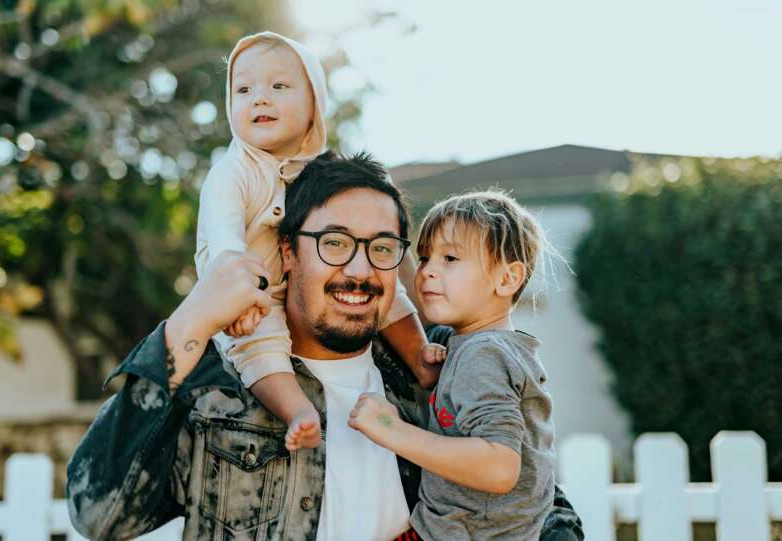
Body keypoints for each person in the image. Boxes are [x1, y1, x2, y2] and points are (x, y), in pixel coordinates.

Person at [66, 152, 583, 540]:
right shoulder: (216, 383)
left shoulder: (437, 364)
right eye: (334, 243)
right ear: (288, 253)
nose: (359, 270)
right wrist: (188, 323)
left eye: (381, 249)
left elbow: (536, 495)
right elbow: (99, 515)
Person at [195, 31, 442, 452]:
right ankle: (297, 410)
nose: (259, 99)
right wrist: (240, 300)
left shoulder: (323, 174)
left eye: (278, 86)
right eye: (243, 89)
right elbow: (225, 244)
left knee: (386, 287)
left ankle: (420, 357)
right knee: (261, 347)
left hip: (291, 286)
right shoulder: (233, 172)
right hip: (246, 292)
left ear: (315, 106)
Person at [350, 191, 558, 540]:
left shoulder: (483, 355)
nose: (427, 271)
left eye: (449, 258)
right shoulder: (484, 348)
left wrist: (392, 430)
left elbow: (499, 467)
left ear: (507, 279)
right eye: (425, 257)